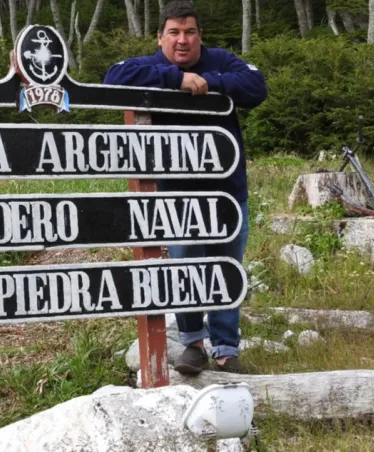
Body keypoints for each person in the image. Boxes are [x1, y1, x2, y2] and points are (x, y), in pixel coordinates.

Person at [103, 0, 267, 374]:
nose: (182, 40)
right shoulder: (146, 67)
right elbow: (112, 78)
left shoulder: (221, 61)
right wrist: (175, 80)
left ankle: (226, 348)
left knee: (226, 268)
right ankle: (192, 343)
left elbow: (256, 87)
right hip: (178, 196)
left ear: (199, 36)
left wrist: (209, 83)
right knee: (187, 268)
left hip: (228, 192)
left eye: (189, 32)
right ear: (160, 36)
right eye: (174, 32)